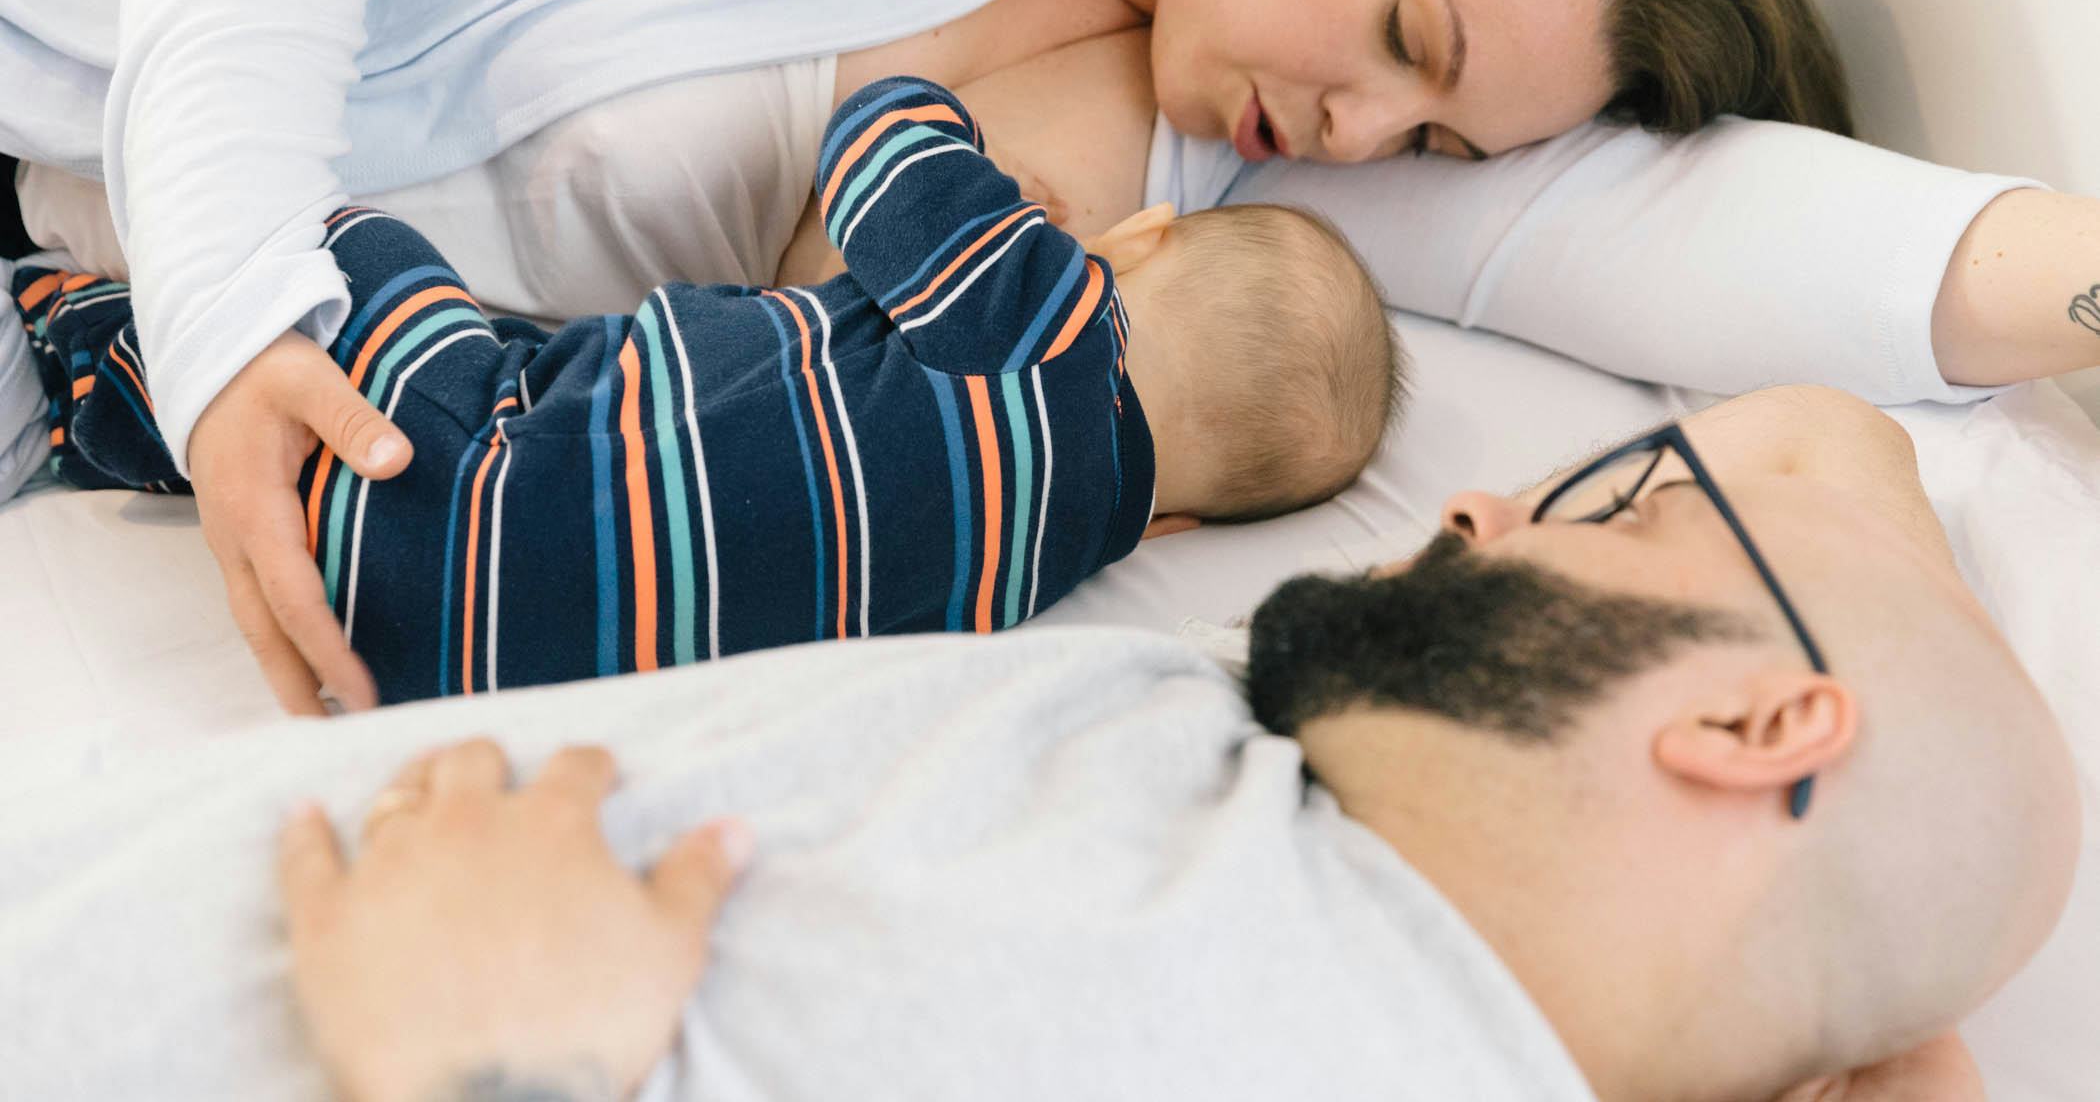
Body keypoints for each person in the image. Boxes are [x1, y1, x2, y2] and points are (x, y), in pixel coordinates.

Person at [0, 0, 1911, 704]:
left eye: (1431, 142)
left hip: (63, 273)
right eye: (1408, 33)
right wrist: (234, 313)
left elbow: (1654, 245)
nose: (1357, 128)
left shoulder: (1168, 204)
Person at [0, 386, 2074, 1099]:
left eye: (1603, 517)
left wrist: (490, 1069)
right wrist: (1852, 979)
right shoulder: (1279, 743)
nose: (1474, 505)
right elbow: (1829, 437)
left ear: (1751, 723)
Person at [5, 76, 1399, 707]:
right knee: (358, 420)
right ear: (1183, 526)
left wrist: (987, 173)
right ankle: (88, 382)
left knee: (326, 235)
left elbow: (878, 136)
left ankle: (57, 226)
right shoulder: (1048, 569)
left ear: (1140, 243)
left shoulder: (1047, 319)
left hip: (461, 447)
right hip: (448, 663)